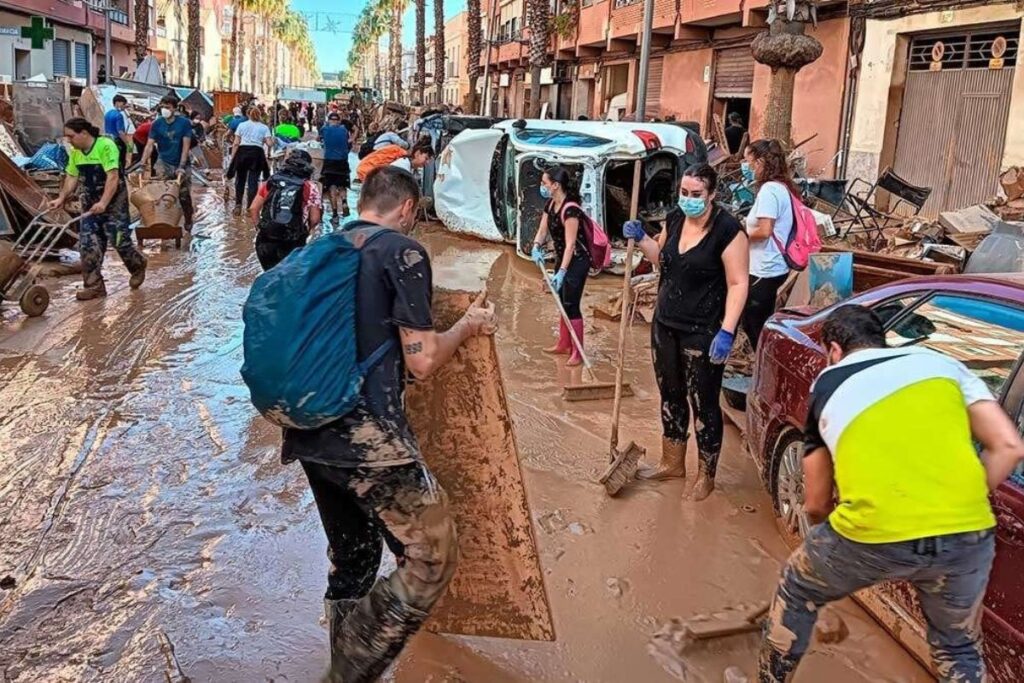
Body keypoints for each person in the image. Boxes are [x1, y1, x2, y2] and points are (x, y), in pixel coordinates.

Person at [281, 165, 497, 682]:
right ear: (405, 208)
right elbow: (420, 360)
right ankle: (350, 667)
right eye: (417, 214)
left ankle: (343, 657)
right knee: (432, 557)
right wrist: (466, 326)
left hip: (309, 431)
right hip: (369, 439)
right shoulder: (401, 251)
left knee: (353, 557)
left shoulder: (323, 248)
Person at [759, 304, 1024, 683]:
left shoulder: (829, 382)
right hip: (967, 534)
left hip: (875, 531)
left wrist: (821, 540)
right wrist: (957, 501)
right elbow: (1010, 448)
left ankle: (769, 678)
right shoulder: (943, 365)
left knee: (797, 588)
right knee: (957, 649)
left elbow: (815, 501)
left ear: (833, 349)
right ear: (882, 340)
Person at [624, 163, 749, 500]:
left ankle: (706, 474)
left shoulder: (729, 231)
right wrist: (641, 238)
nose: (688, 199)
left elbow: (738, 283)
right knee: (671, 394)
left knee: (704, 403)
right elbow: (661, 259)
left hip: (703, 331)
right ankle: (672, 462)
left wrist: (727, 331)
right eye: (684, 193)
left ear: (711, 195)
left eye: (696, 195)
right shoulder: (676, 219)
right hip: (665, 324)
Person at [47, 118, 147, 300]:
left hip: (114, 201)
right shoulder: (76, 153)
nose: (69, 140)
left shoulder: (105, 146)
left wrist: (104, 202)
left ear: (84, 133)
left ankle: (137, 265)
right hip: (90, 202)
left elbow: (113, 177)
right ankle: (94, 286)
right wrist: (61, 198)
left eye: (71, 136)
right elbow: (71, 176)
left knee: (120, 241)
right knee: (88, 245)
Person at [530, 166, 592, 367]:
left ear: (555, 185)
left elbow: (571, 244)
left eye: (544, 183)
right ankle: (564, 344)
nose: (542, 186)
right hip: (562, 257)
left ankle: (577, 351)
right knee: (561, 301)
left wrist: (563, 272)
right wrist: (536, 246)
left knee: (571, 305)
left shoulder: (571, 209)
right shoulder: (550, 204)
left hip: (577, 260)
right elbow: (542, 230)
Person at [740, 139, 795, 351]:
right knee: (757, 323)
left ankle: (764, 371)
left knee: (755, 326)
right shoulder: (781, 187)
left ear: (761, 162)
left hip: (764, 268)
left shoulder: (769, 191)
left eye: (749, 161)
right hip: (772, 266)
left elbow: (764, 230)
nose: (747, 167)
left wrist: (739, 234)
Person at [249, 150, 322, 270]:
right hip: (292, 241)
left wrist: (261, 228)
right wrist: (306, 232)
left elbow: (253, 209)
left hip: (266, 240)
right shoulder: (310, 186)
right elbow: (315, 219)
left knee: (270, 278)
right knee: (289, 281)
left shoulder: (271, 181)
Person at [139, 96, 194, 232]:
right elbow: (149, 145)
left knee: (183, 195)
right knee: (161, 194)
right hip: (163, 161)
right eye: (163, 107)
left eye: (168, 107)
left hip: (181, 161)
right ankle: (163, 222)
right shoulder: (157, 124)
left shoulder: (184, 123)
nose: (165, 110)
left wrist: (181, 166)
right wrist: (142, 163)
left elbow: (186, 146)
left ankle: (188, 218)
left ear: (175, 109)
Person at [230, 106, 274, 216]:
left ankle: (238, 205)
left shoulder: (241, 125)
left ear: (248, 115)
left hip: (242, 153)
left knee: (240, 179)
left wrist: (233, 157)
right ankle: (250, 208)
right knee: (253, 181)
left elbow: (236, 143)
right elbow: (269, 144)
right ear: (259, 115)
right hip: (257, 154)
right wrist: (270, 139)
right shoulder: (264, 127)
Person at [319, 111, 352, 223]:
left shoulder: (325, 129)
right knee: (342, 185)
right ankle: (344, 201)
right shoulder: (344, 130)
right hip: (342, 161)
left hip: (329, 161)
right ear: (338, 120)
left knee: (331, 188)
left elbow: (319, 138)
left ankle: (335, 215)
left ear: (329, 120)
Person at [103, 94, 133, 171]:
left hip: (108, 139)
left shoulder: (107, 113)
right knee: (120, 161)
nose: (124, 106)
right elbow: (120, 132)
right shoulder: (119, 115)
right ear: (118, 103)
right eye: (123, 104)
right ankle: (120, 177)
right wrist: (127, 144)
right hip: (117, 141)